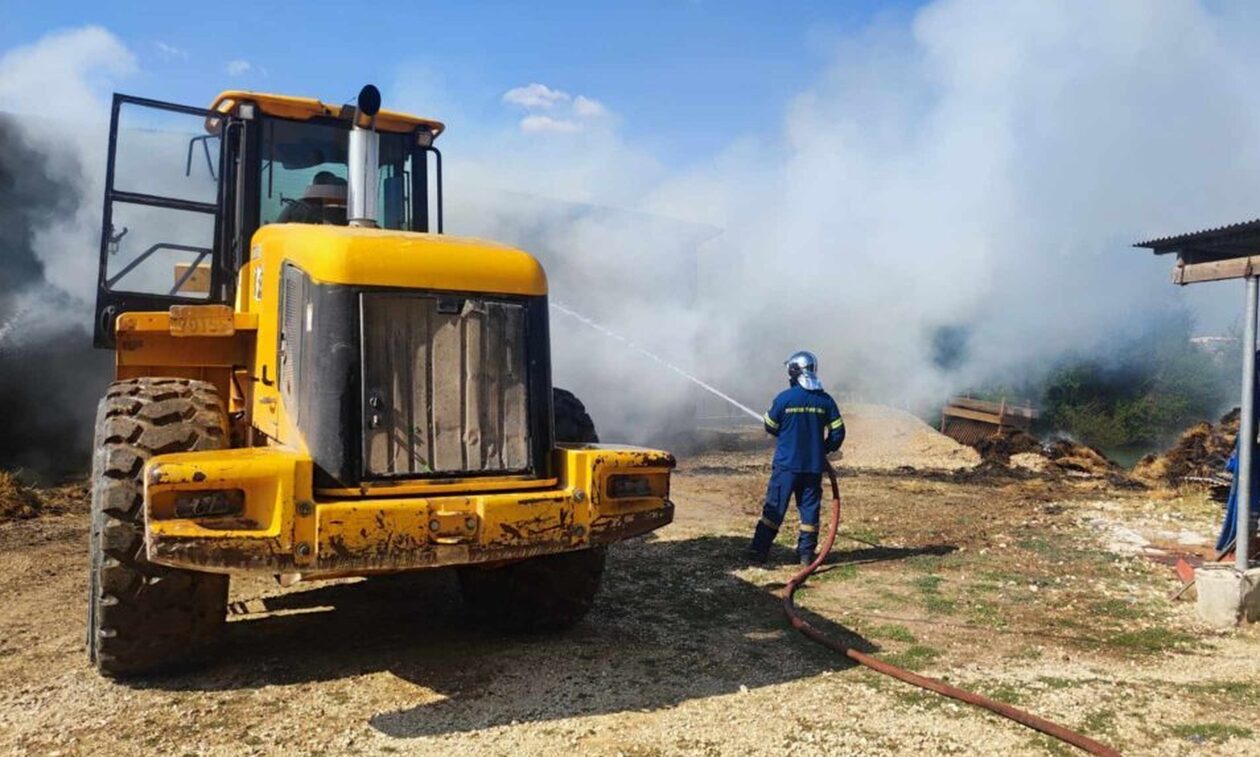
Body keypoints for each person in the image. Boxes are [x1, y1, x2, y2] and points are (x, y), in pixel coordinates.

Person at [745, 351, 845, 565]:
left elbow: (770, 426)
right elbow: (838, 432)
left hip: (786, 467)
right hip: (812, 467)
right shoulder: (825, 400)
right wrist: (824, 450)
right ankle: (806, 555)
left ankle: (759, 552)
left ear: (793, 371)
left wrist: (777, 424)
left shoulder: (784, 398)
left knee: (774, 508)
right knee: (809, 511)